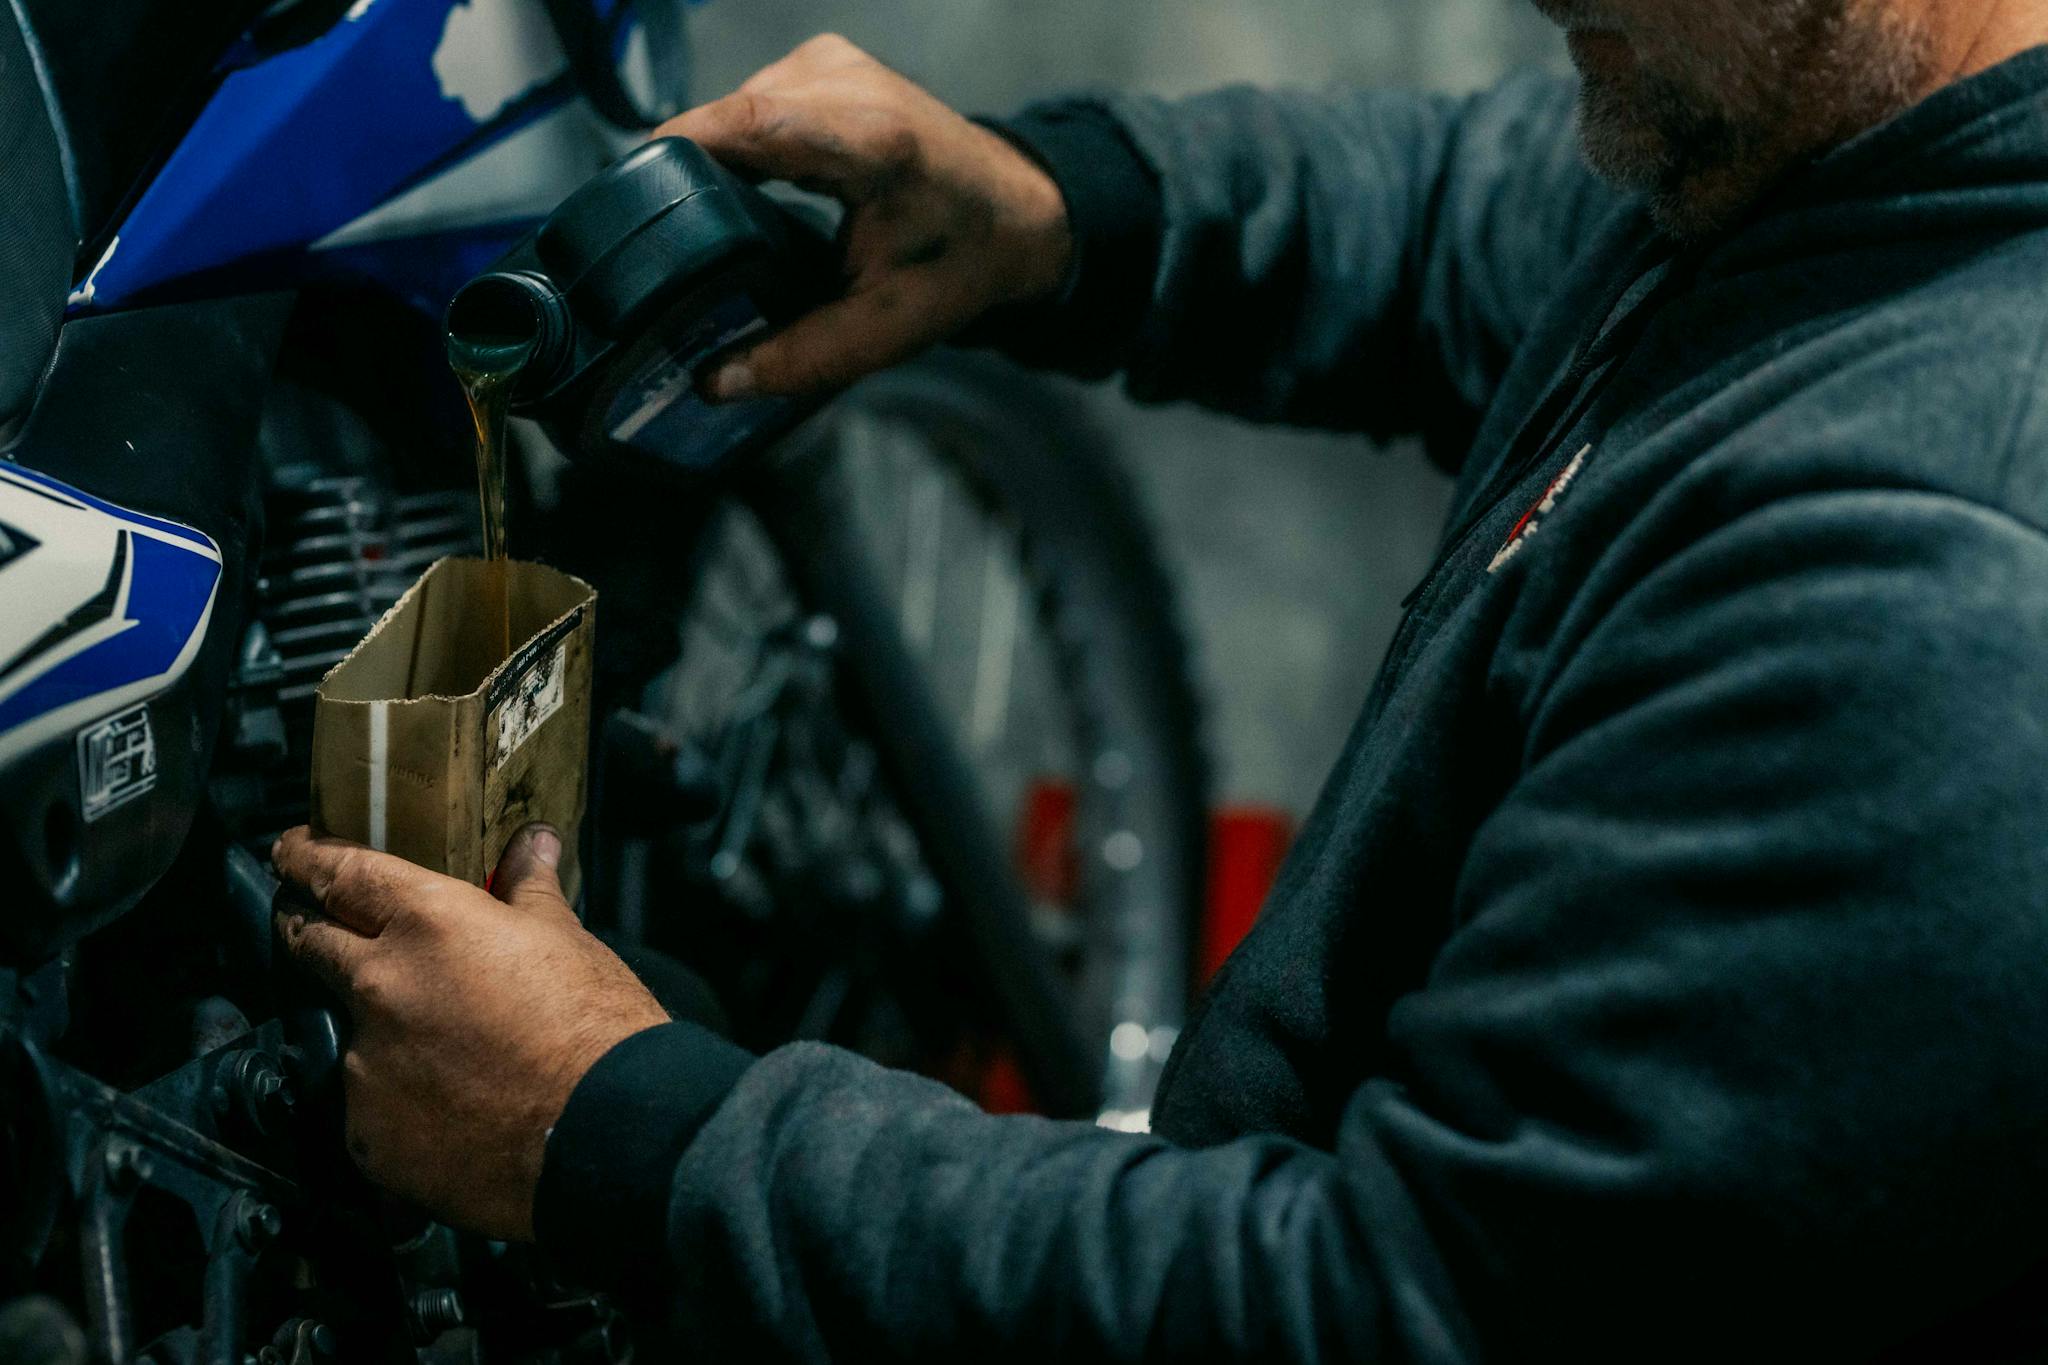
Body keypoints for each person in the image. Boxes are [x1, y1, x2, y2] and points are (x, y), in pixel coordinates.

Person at [272, 0, 2048, 1356]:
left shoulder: (1933, 583)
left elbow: (1383, 1310)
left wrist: (630, 1136)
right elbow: (1485, 210)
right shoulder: (1834, 132)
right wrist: (1057, 212)